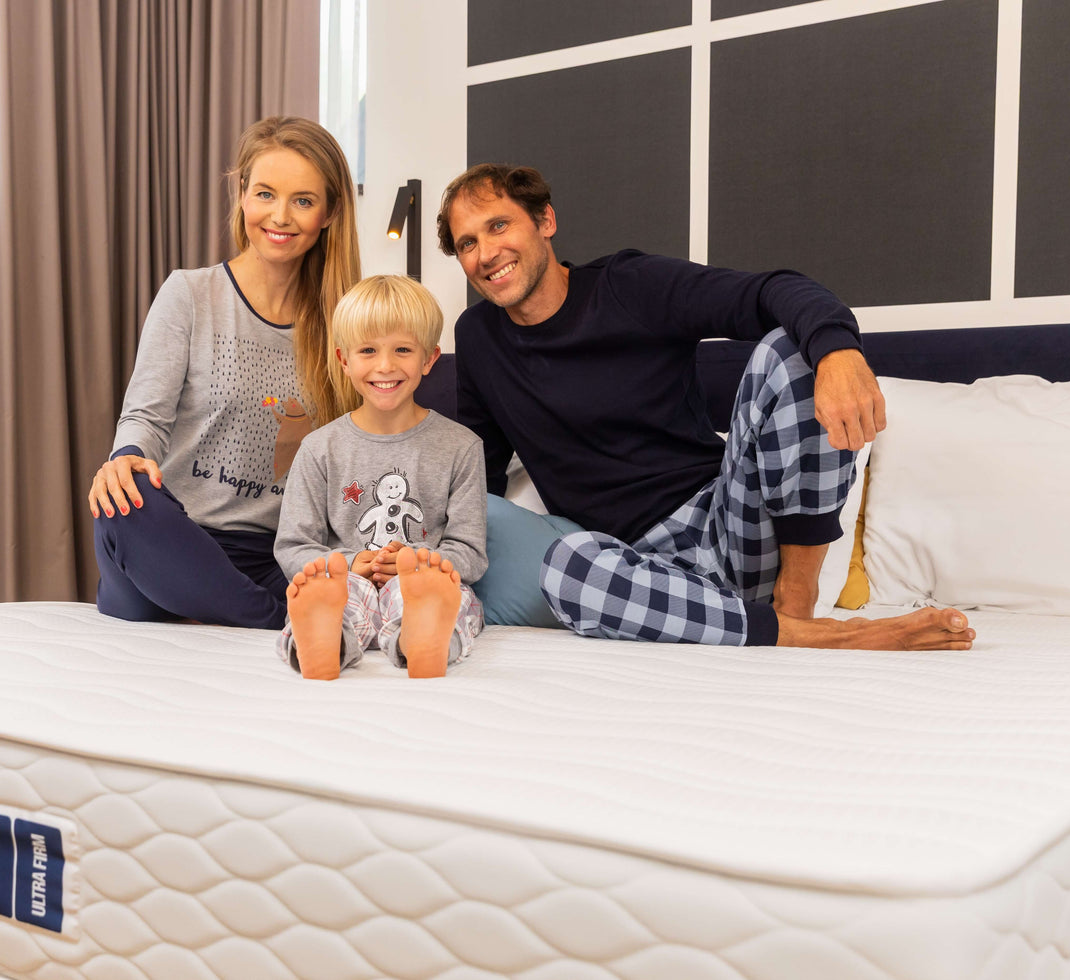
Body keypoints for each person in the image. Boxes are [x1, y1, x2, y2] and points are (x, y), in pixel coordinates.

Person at [437, 163, 975, 652]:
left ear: (545, 221)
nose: (486, 254)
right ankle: (810, 637)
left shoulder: (629, 286)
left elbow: (771, 291)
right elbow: (479, 476)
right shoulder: (478, 337)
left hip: (728, 527)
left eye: (499, 226)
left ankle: (795, 603)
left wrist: (837, 351)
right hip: (634, 569)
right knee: (566, 568)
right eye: (467, 243)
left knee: (792, 350)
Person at [89, 117, 360, 628]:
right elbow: (145, 418)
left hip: (272, 554)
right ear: (242, 193)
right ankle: (277, 621)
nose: (280, 216)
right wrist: (125, 459)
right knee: (126, 500)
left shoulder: (345, 324)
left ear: (330, 213)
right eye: (265, 194)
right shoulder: (189, 294)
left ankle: (225, 605)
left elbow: (355, 453)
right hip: (172, 536)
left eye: (303, 200)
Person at [274, 275, 486, 679]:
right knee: (329, 599)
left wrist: (421, 564)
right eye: (368, 350)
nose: (385, 366)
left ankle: (419, 641)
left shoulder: (462, 447)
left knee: (456, 600)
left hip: (418, 586)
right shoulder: (318, 449)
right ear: (344, 360)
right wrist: (350, 563)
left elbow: (470, 552)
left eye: (402, 349)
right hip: (347, 584)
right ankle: (327, 643)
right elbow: (293, 545)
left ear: (429, 359)